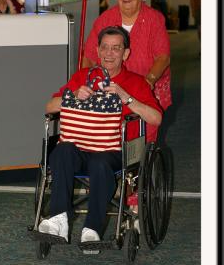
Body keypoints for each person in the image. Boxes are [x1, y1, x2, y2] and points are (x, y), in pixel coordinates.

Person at [38, 26, 162, 251]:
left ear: (125, 54)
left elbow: (155, 118)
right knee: (62, 150)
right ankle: (59, 218)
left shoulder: (136, 82)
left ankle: (92, 229)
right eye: (104, 47)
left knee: (100, 162)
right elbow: (49, 106)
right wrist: (73, 96)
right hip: (79, 147)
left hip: (114, 150)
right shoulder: (82, 77)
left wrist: (126, 97)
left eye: (116, 48)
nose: (109, 53)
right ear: (97, 50)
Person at [82, 0, 171, 143]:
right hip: (110, 87)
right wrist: (87, 81)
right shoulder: (105, 19)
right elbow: (90, 57)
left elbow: (163, 57)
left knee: (142, 133)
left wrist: (148, 81)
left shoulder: (154, 19)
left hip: (145, 86)